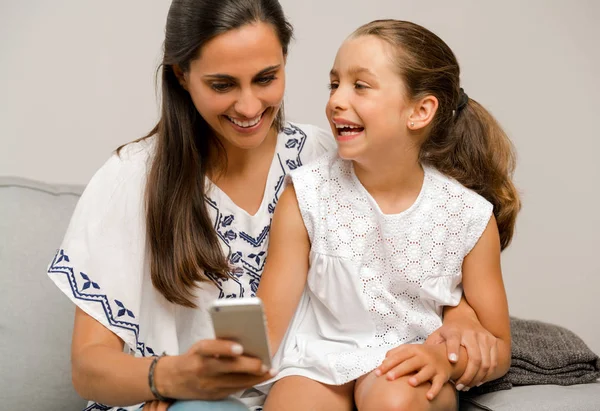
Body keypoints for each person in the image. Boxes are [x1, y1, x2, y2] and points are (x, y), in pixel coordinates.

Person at [46, 0, 501, 409]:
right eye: (223, 84)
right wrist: (169, 378)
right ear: (182, 76)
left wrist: (459, 314)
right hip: (192, 401)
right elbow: (88, 369)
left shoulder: (331, 156)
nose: (248, 106)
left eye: (266, 78)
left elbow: (412, 255)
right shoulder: (132, 178)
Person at [257, 19, 520, 411]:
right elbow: (267, 325)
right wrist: (201, 377)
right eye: (334, 84)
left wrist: (443, 361)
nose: (336, 100)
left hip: (408, 360)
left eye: (360, 86)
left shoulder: (468, 217)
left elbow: (496, 347)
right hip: (318, 361)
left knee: (394, 402)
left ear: (420, 111)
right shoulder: (307, 195)